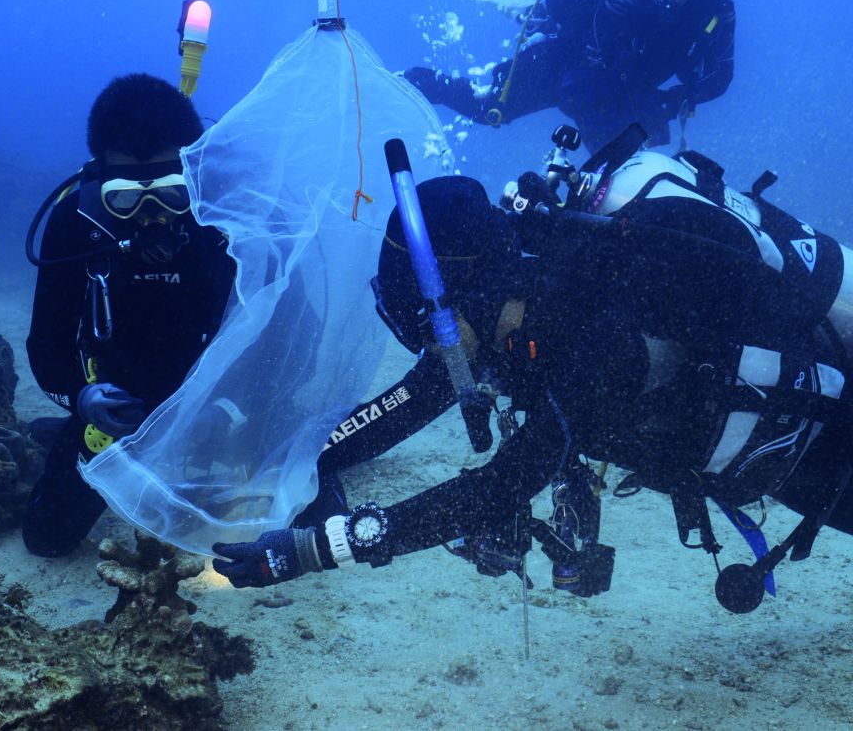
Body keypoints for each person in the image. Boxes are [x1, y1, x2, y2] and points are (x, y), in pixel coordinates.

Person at [214, 137, 853, 614]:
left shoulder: (599, 338)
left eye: (420, 320)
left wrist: (314, 549)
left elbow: (500, 487)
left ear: (459, 296)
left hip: (827, 438)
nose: (421, 343)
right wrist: (308, 458)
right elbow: (402, 409)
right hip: (780, 442)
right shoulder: (494, 319)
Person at [22, 73, 237, 557]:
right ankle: (74, 433)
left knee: (295, 511)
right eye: (125, 198)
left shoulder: (224, 218)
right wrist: (81, 398)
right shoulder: (75, 223)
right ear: (99, 179)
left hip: (214, 400)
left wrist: (231, 403)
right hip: (113, 405)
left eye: (170, 192)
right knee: (46, 539)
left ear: (193, 174)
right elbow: (46, 343)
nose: (151, 214)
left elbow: (283, 329)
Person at [404, 0, 735, 151]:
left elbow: (720, 78)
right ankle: (412, 82)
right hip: (566, 63)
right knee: (489, 108)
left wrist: (672, 102)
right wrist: (552, 18)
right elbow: (570, 5)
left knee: (618, 178)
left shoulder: (715, 11)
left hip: (627, 95)